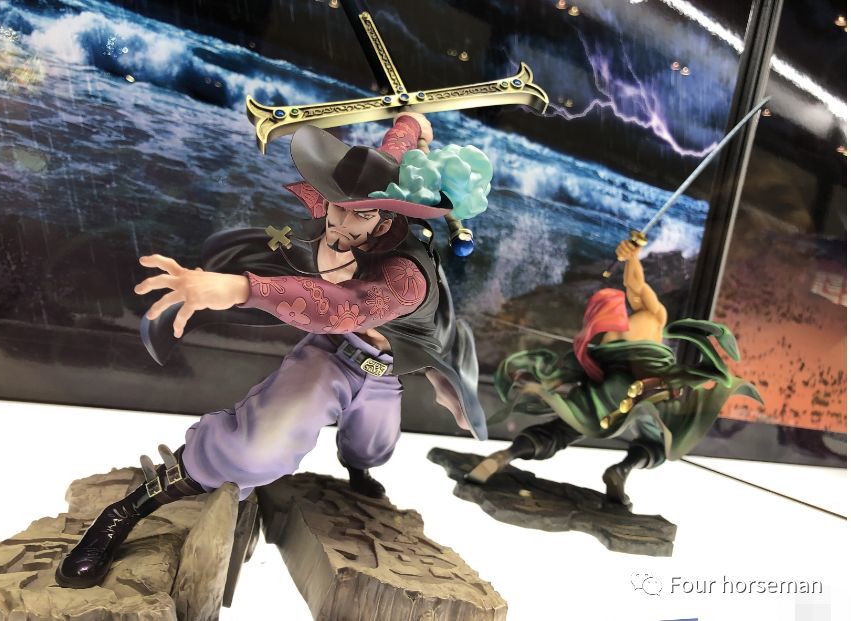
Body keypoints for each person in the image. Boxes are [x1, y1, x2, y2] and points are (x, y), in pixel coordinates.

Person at [56, 113, 492, 588]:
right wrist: (410, 122)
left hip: (385, 371)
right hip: (331, 356)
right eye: (336, 207)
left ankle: (357, 470)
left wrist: (243, 289)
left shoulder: (407, 276)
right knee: (256, 450)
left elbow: (343, 307)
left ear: (388, 216)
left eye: (361, 214)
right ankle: (129, 508)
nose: (341, 222)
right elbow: (396, 148)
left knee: (373, 447)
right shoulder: (367, 192)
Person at [466, 238, 762, 506]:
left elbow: (632, 286)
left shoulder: (604, 340)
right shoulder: (654, 317)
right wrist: (633, 256)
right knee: (657, 443)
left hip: (607, 385)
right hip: (649, 386)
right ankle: (621, 470)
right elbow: (636, 286)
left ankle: (506, 455)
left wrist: (631, 255)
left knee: (561, 429)